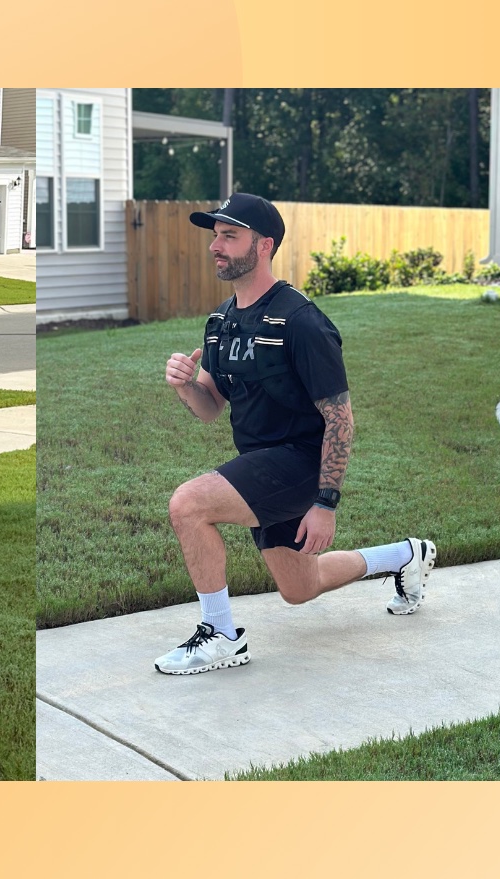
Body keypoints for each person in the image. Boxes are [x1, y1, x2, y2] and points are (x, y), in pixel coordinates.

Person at [157, 192, 435, 675]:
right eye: (215, 235)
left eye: (229, 236)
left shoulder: (301, 322)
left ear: (264, 245)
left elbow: (341, 419)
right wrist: (185, 386)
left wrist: (324, 504)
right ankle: (407, 555)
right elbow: (209, 408)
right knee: (299, 589)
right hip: (261, 464)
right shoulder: (220, 322)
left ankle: (221, 637)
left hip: (301, 463)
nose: (215, 246)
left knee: (189, 504)